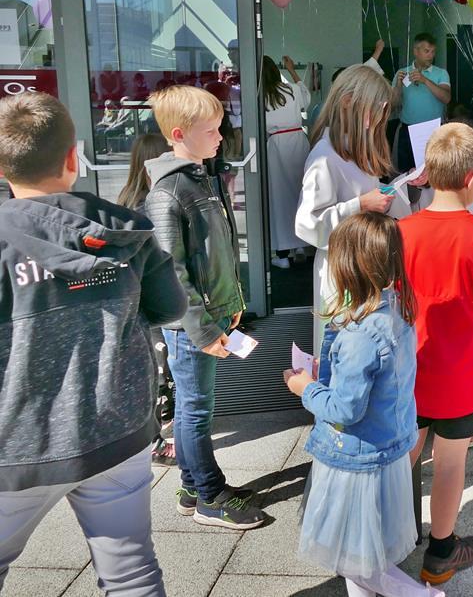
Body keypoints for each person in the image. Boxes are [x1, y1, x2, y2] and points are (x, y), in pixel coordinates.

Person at [0, 92, 187, 594]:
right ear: (73, 157)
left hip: (15, 445)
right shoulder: (123, 228)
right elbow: (169, 308)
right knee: (131, 573)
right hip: (114, 429)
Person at [283, 213, 444, 597]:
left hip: (356, 459)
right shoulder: (397, 311)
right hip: (387, 448)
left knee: (354, 561)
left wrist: (305, 388)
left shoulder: (360, 332)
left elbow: (346, 410)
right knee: (365, 554)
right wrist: (329, 371)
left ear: (348, 268)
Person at [400, 123, 473, 585]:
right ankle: (441, 553)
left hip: (407, 369)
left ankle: (382, 543)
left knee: (401, 460)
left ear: (428, 174)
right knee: (450, 464)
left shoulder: (400, 232)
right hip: (460, 373)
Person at [144, 85, 266, 531]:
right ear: (180, 134)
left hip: (207, 317)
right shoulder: (169, 191)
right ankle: (209, 496)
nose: (220, 137)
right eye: (211, 130)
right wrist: (203, 329)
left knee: (194, 407)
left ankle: (193, 487)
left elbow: (216, 254)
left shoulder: (201, 178)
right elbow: (172, 271)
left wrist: (230, 305)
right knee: (195, 410)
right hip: (190, 325)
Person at [297, 65, 412, 349]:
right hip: (342, 272)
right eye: (376, 107)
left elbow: (368, 196)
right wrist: (360, 204)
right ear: (348, 102)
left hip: (364, 267)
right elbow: (307, 225)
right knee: (344, 349)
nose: (379, 117)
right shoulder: (324, 157)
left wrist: (401, 187)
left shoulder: (356, 149)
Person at [118, 132, 178, 466]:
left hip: (136, 300)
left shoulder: (126, 200)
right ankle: (156, 441)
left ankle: (159, 430)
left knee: (155, 368)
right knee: (160, 369)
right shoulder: (151, 205)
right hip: (154, 299)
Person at [262, 54, 311, 269]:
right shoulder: (291, 89)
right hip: (298, 140)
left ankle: (283, 255)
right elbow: (306, 98)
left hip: (276, 144)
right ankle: (301, 245)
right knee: (300, 192)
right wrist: (292, 69)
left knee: (279, 198)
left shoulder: (260, 95)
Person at [392, 33, 451, 172]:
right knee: (407, 171)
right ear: (415, 51)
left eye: (433, 51)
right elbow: (393, 104)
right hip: (408, 129)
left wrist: (425, 80)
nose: (431, 55)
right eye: (426, 51)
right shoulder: (402, 73)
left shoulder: (441, 73)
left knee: (434, 171)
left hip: (434, 131)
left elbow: (446, 98)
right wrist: (398, 86)